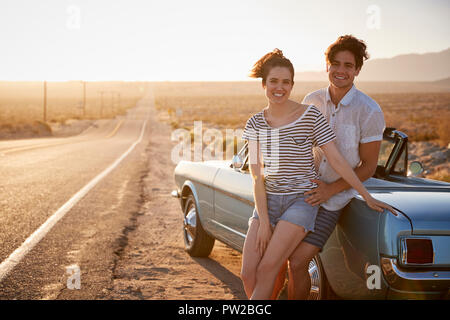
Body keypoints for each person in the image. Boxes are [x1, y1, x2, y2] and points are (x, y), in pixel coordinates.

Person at [240, 48, 395, 300]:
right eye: (335, 64)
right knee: (252, 271)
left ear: (357, 70)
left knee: (295, 262)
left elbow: (348, 161)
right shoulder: (310, 101)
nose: (341, 70)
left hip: (320, 198)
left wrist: (365, 196)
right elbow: (259, 175)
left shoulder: (367, 109)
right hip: (279, 196)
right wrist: (265, 221)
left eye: (348, 65)